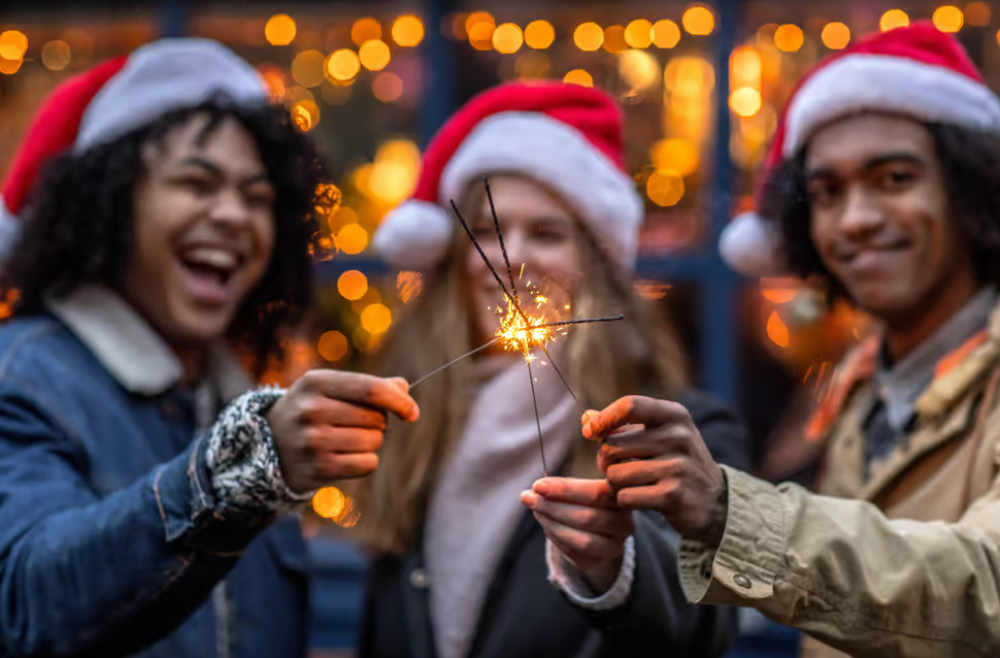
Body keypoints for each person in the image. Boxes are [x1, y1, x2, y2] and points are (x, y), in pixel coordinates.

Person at [533, 22, 1000, 658]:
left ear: (970, 188)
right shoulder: (860, 385)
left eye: (895, 179)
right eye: (827, 193)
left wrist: (728, 511)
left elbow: (984, 584)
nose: (857, 219)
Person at [0, 39, 418, 657]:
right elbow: (30, 601)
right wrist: (234, 475)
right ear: (108, 205)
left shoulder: (231, 392)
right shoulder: (22, 376)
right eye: (197, 183)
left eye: (257, 197)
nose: (233, 216)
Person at [354, 82, 748, 658]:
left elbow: (708, 618)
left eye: (546, 233)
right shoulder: (416, 414)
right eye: (486, 231)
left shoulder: (672, 431)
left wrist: (614, 567)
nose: (510, 256)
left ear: (596, 263)